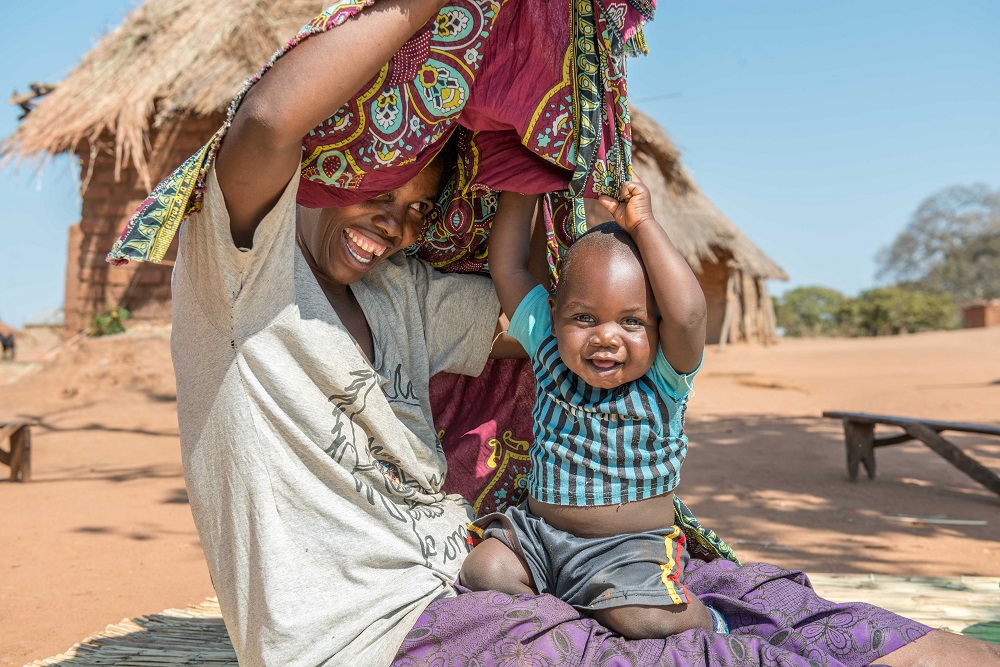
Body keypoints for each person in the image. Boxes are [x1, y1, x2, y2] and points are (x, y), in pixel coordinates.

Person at [161, 1, 1000, 665]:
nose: (394, 225)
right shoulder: (243, 278)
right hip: (381, 635)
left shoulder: (403, 298)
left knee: (797, 613)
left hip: (499, 573)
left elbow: (556, 316)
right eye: (378, 193)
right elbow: (269, 122)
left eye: (419, 208)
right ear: (329, 165)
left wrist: (534, 184)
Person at [460, 184, 723, 639]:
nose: (606, 337)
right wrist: (521, 183)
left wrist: (643, 225)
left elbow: (689, 316)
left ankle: (712, 622)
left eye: (632, 321)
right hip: (538, 536)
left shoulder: (664, 376)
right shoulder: (547, 349)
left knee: (643, 619)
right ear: (554, 314)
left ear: (657, 330)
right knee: (485, 571)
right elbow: (509, 267)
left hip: (628, 550)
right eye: (584, 318)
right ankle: (570, 631)